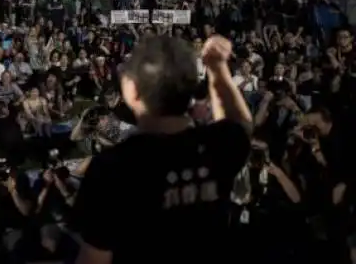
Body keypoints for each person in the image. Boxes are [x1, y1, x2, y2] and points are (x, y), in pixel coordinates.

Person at [72, 35, 252, 264]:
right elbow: (240, 123)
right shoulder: (218, 144)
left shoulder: (112, 168)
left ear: (132, 91)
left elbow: (94, 259)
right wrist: (217, 67)